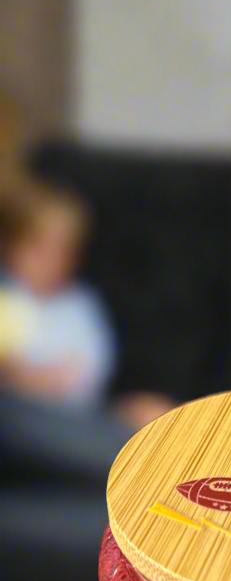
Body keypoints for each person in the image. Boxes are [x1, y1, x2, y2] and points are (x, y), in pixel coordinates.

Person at [0, 171, 170, 426]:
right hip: (18, 417)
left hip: (77, 415)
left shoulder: (79, 304)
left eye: (62, 252)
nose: (50, 263)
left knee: (150, 410)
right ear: (10, 247)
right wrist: (22, 377)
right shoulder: (7, 299)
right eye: (39, 250)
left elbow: (93, 369)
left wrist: (53, 380)